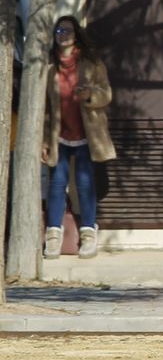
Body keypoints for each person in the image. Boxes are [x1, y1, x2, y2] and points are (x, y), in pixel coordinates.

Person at [42, 15, 116, 259]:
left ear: (77, 35)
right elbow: (43, 108)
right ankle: (53, 236)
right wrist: (42, 140)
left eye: (68, 31)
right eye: (59, 31)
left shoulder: (91, 63)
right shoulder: (49, 66)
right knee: (56, 185)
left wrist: (89, 94)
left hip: (86, 135)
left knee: (85, 185)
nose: (63, 35)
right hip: (58, 136)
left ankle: (88, 234)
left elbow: (106, 95)